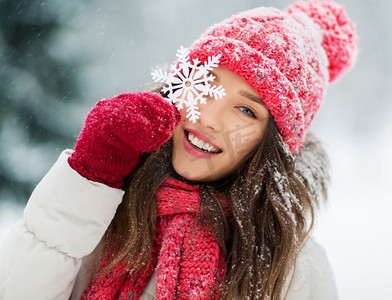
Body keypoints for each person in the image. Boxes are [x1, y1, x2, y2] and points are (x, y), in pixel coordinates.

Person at [0, 0, 358, 299]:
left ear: (275, 145)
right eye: (206, 84)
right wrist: (88, 180)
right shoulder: (106, 212)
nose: (209, 118)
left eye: (246, 110)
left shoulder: (291, 269)